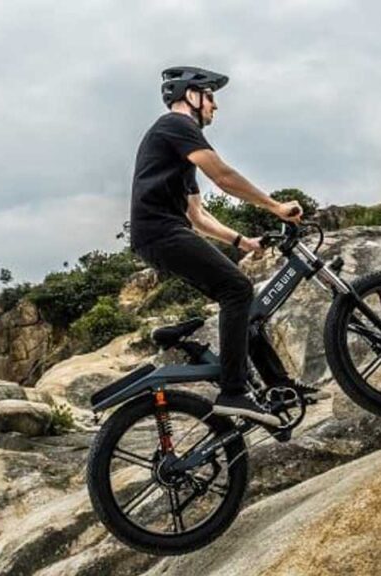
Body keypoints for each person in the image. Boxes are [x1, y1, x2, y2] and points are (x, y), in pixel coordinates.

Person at [128, 66, 326, 426]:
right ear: (191, 96)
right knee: (237, 289)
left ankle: (279, 386)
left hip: (161, 234)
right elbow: (223, 176)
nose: (215, 106)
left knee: (242, 302)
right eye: (210, 97)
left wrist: (242, 241)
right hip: (161, 232)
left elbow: (198, 215)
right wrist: (275, 206)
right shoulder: (176, 125)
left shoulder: (178, 146)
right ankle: (233, 392)